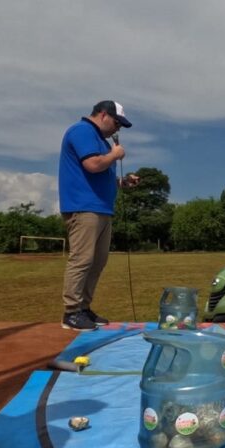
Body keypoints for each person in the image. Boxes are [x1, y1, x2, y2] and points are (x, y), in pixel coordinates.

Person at [59, 101, 137, 331]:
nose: (118, 129)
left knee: (98, 261)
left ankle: (83, 308)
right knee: (82, 260)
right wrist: (114, 155)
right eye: (116, 122)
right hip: (83, 207)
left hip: (101, 208)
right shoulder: (82, 131)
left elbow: (99, 175)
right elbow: (93, 165)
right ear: (103, 115)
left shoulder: (100, 141)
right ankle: (71, 313)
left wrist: (123, 182)